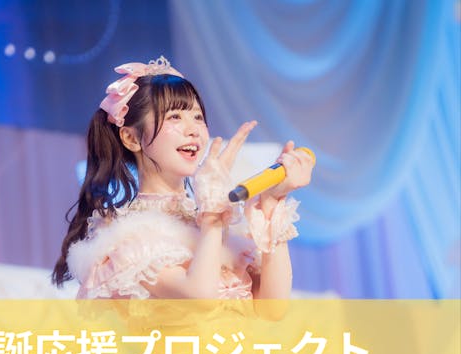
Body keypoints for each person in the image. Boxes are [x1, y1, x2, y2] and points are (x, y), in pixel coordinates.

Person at [53, 56, 314, 302]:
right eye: (175, 117)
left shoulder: (219, 223)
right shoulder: (125, 234)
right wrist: (212, 216)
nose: (193, 130)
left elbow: (273, 309)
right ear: (131, 138)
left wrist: (271, 201)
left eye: (198, 117)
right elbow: (198, 297)